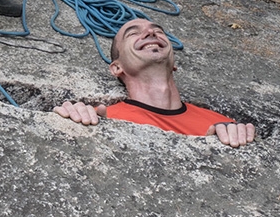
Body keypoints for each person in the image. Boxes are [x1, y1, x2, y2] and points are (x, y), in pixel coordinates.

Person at [55, 18, 256, 148]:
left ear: (174, 64)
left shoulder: (220, 124)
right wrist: (72, 117)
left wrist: (240, 138)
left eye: (157, 31)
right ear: (117, 68)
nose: (150, 34)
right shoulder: (101, 116)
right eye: (133, 34)